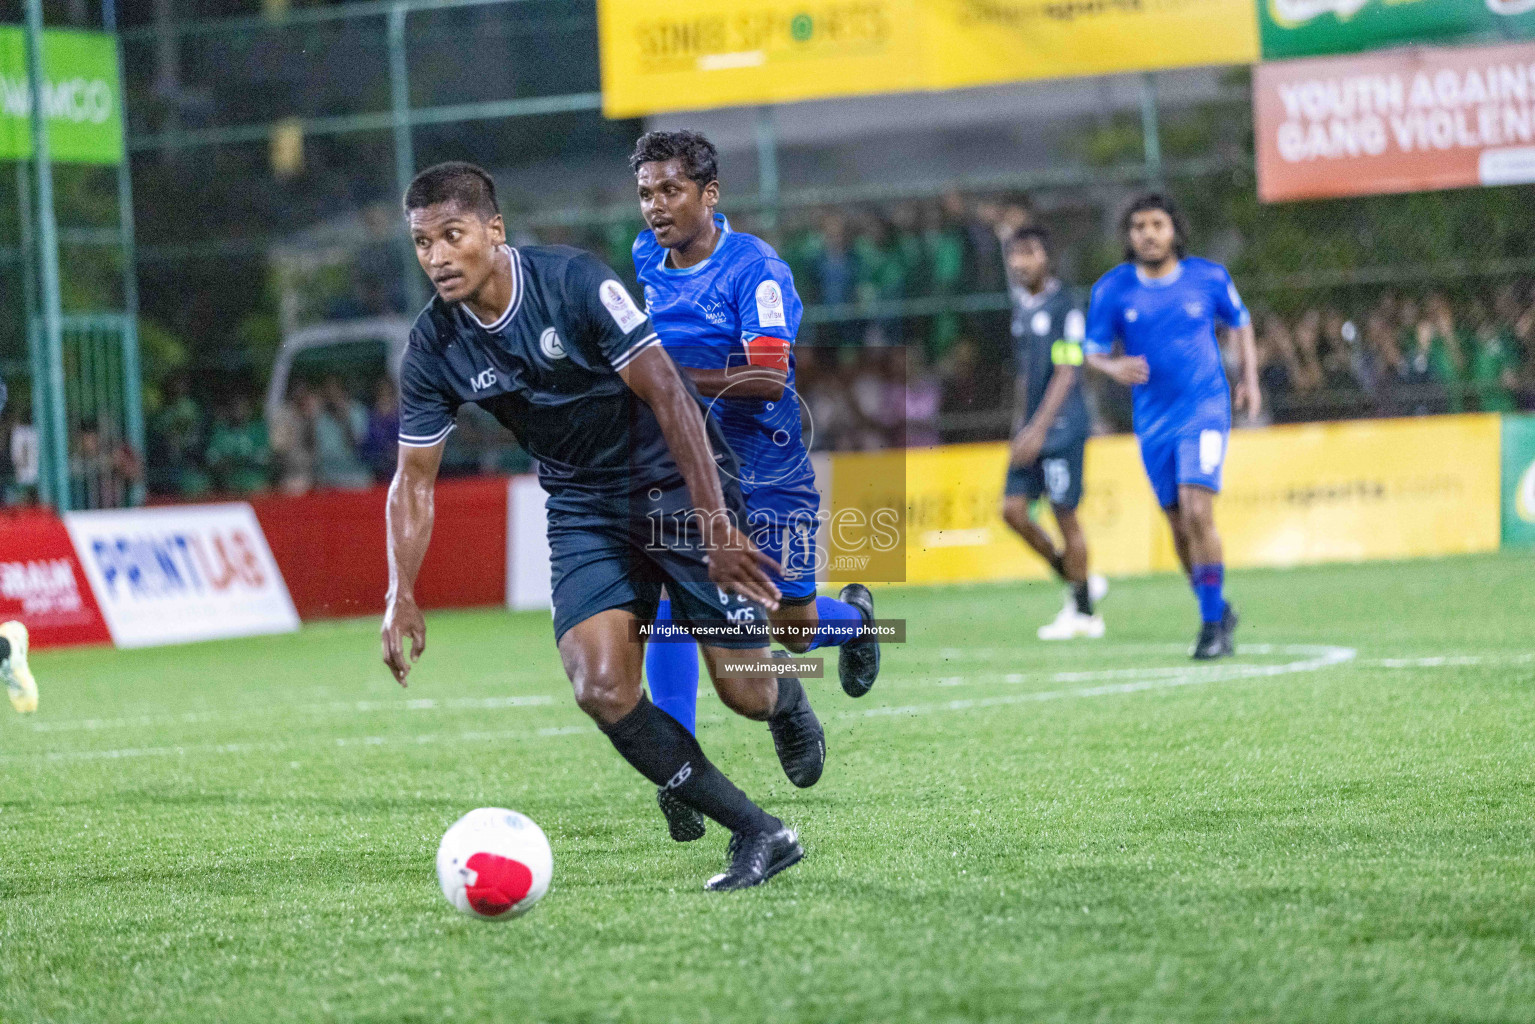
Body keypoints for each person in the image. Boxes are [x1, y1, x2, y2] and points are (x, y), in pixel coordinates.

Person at [381, 161, 818, 890]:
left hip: (674, 488)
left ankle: (787, 695)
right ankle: (757, 831)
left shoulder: (575, 283)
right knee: (599, 686)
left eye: (451, 236)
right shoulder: (434, 345)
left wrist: (713, 522)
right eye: (422, 243)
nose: (436, 258)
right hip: (583, 507)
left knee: (745, 692)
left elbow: (672, 397)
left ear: (493, 231)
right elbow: (412, 481)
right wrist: (400, 590)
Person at [628, 130, 880, 843]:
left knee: (787, 628)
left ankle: (853, 623)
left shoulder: (756, 272)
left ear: (710, 195)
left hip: (766, 472)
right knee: (675, 603)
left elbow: (767, 379)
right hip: (682, 468)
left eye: (670, 190)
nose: (655, 207)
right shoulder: (648, 255)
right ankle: (676, 772)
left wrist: (666, 382)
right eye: (646, 193)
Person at [1083, 193, 1258, 660]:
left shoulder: (1208, 277)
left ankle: (1210, 628)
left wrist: (1249, 381)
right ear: (1129, 236)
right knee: (1179, 526)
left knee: (1198, 510)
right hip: (1152, 421)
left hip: (1204, 410)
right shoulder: (1112, 290)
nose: (1148, 233)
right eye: (1138, 226)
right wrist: (1114, 368)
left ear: (1174, 231)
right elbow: (1091, 350)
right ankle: (1216, 607)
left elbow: (1241, 323)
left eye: (1157, 224)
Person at [997, 228, 1107, 641]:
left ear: (1048, 257)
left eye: (1030, 253)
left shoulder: (1066, 307)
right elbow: (1026, 377)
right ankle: (1078, 579)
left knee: (1065, 515)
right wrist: (1018, 429)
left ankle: (1085, 613)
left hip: (1061, 429)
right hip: (1030, 431)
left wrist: (1039, 431)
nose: (1021, 262)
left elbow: (1067, 372)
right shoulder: (1022, 309)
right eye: (1015, 255)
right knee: (1012, 511)